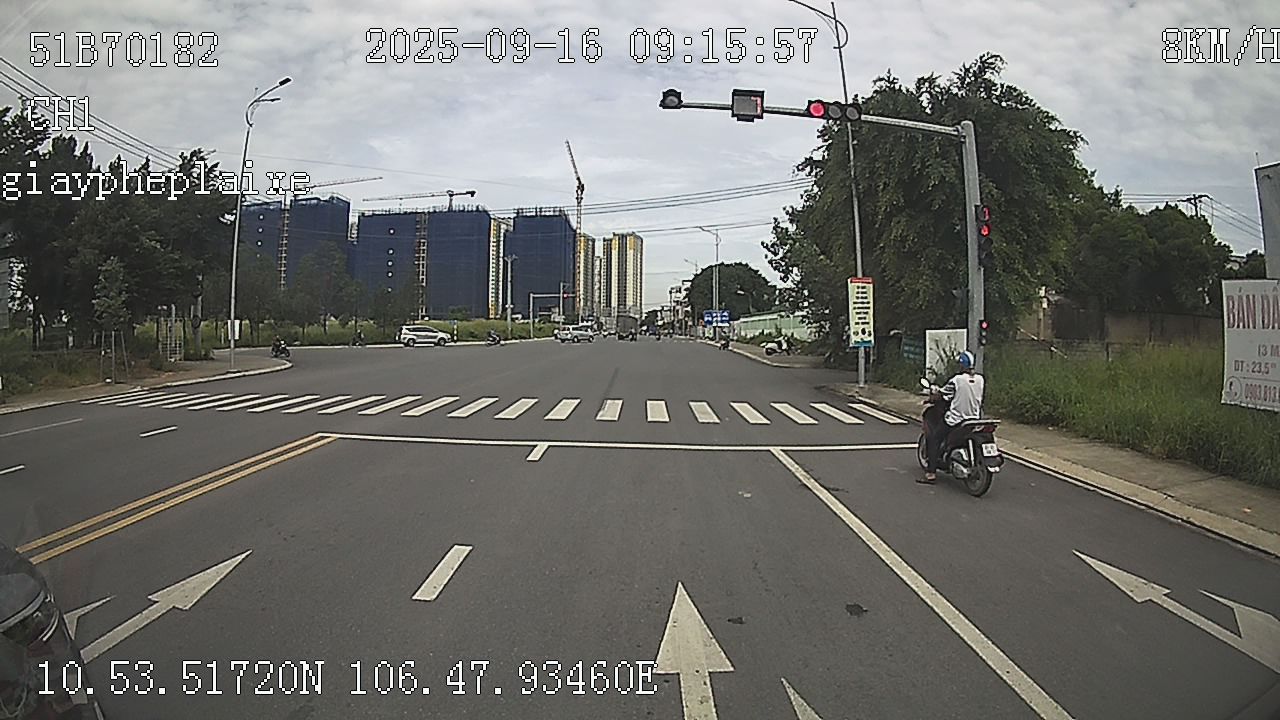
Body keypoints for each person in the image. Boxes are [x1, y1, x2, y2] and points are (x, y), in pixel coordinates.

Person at [922, 350, 985, 484]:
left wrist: (934, 395)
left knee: (935, 438)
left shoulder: (957, 380)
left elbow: (943, 394)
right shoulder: (980, 379)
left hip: (956, 419)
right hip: (974, 419)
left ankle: (931, 473)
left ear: (961, 365)